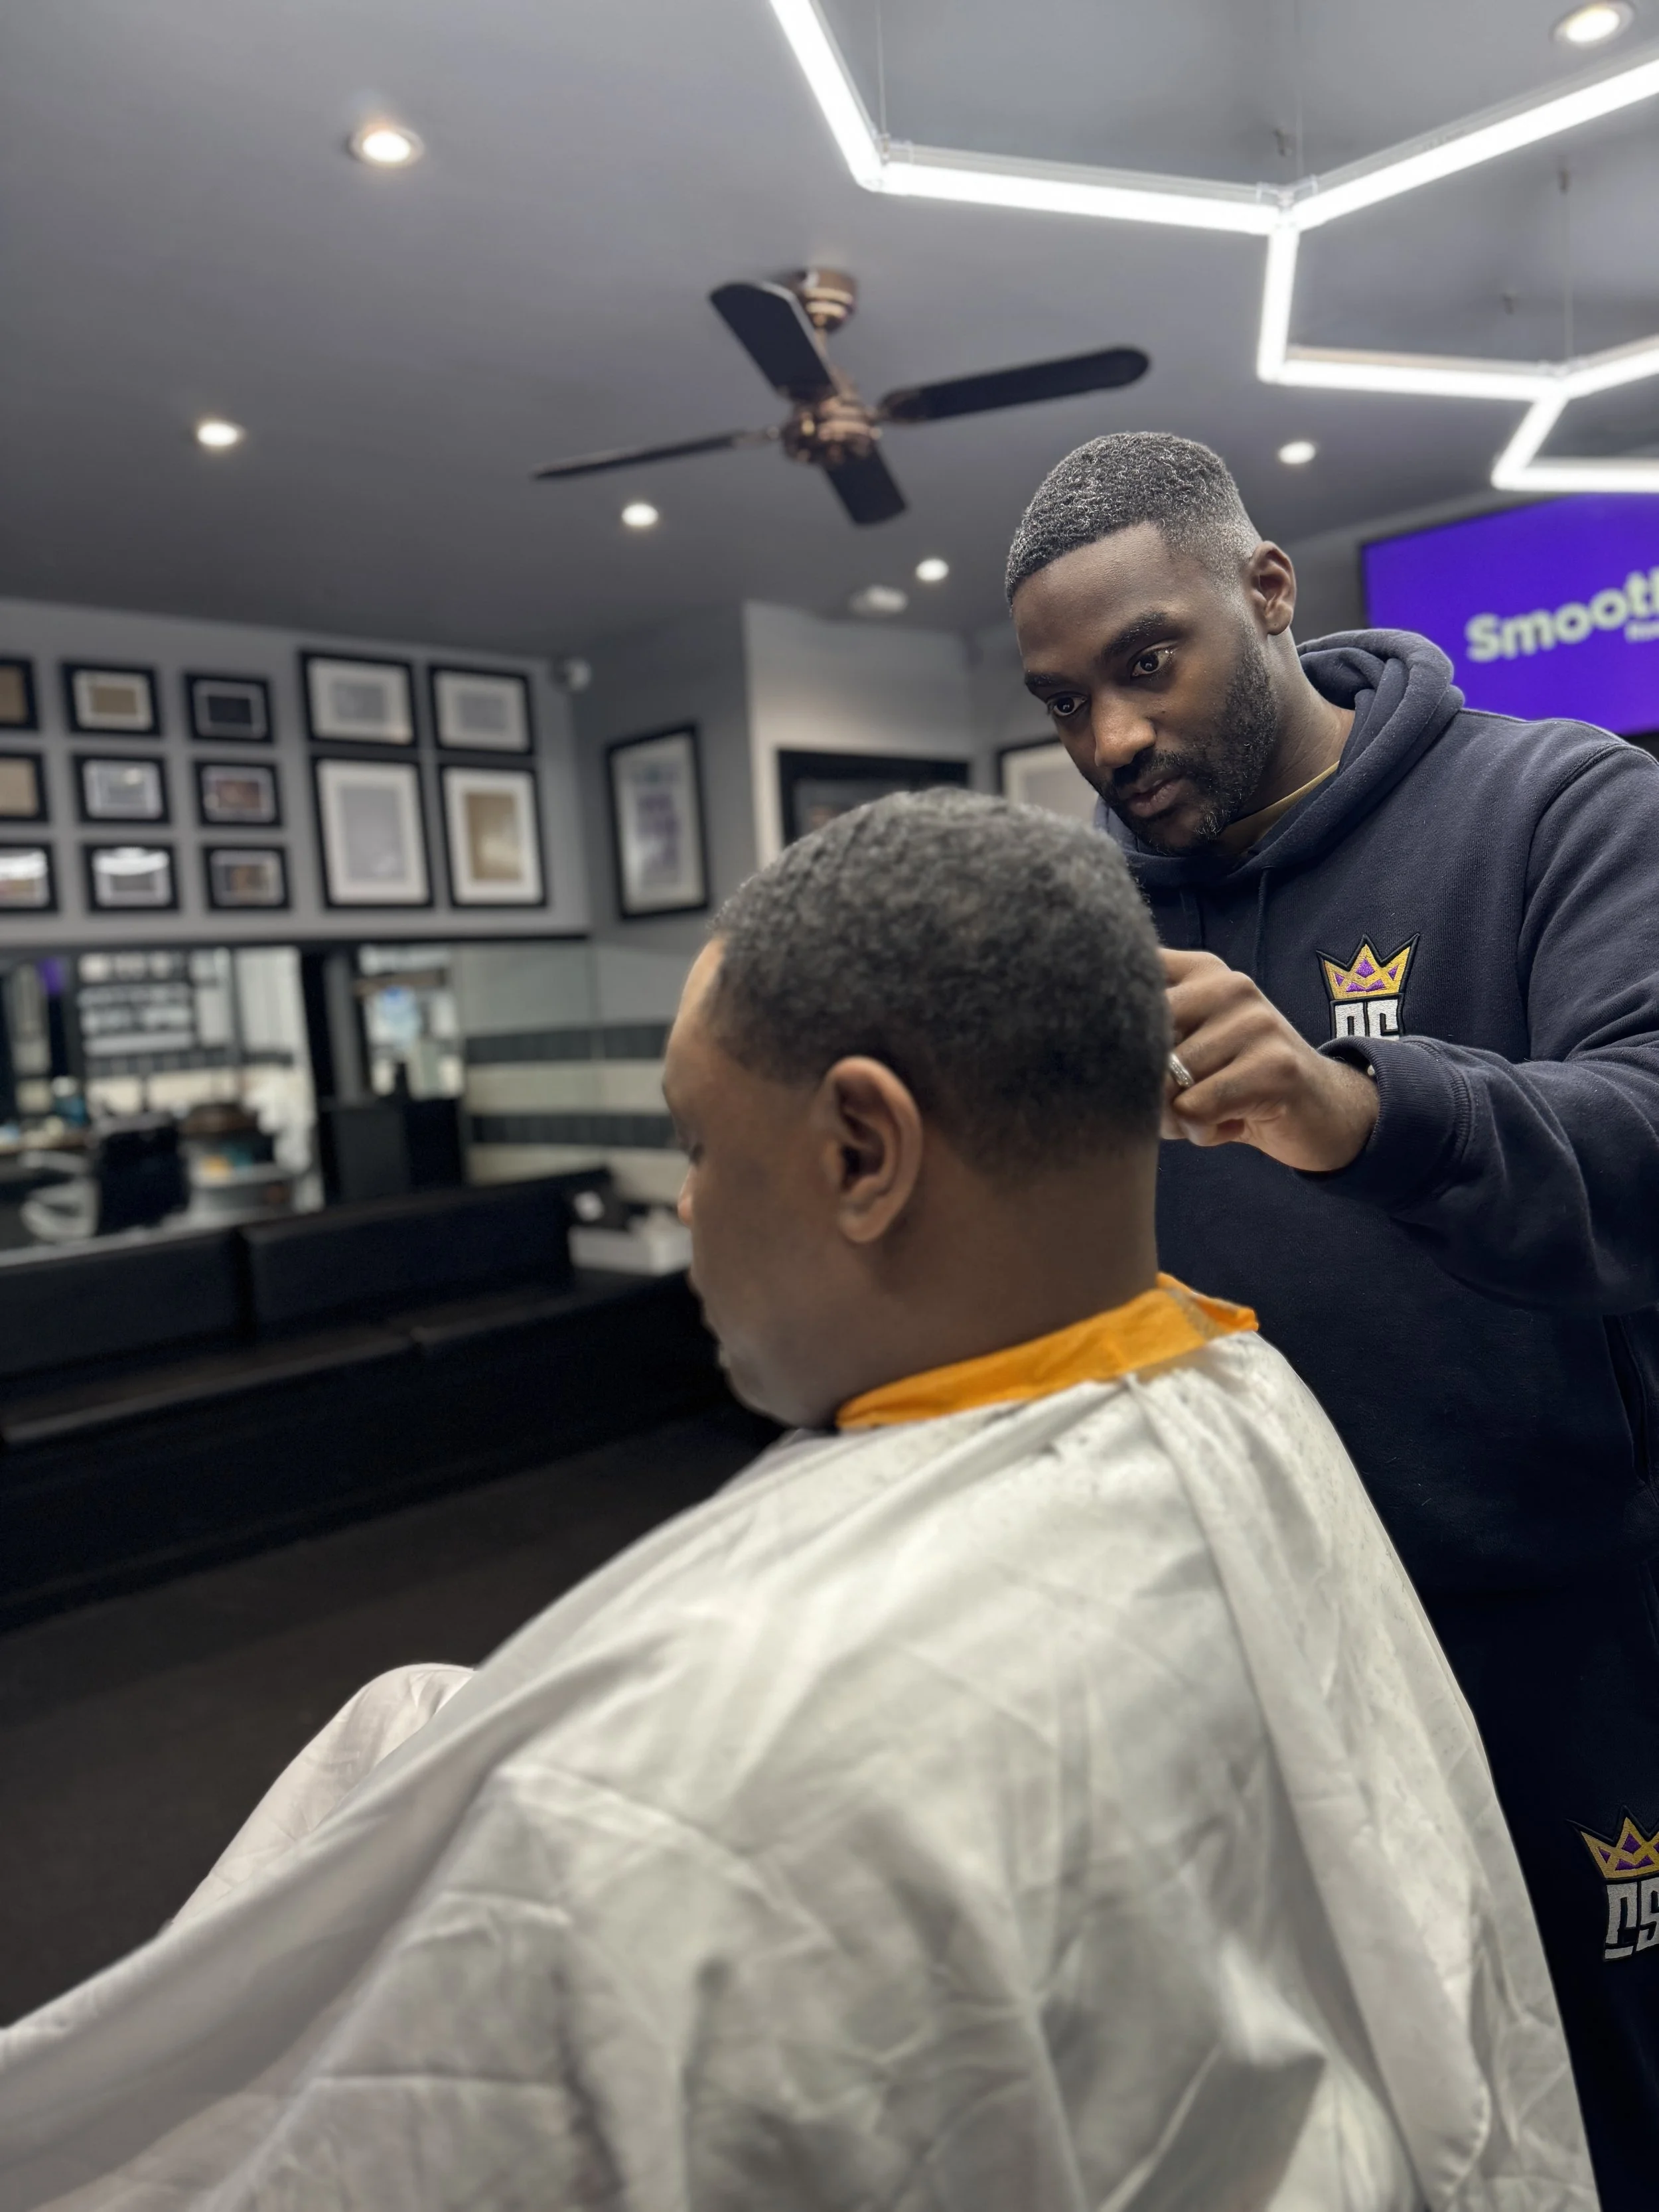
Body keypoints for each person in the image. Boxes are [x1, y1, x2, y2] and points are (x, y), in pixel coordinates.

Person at [0, 795, 1589, 2211]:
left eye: (696, 1137)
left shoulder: (672, 1799)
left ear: (858, 1148)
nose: (685, 1199)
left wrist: (556, 1779)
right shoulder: (1238, 1389)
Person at [1008, 429, 1659, 2207]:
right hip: (1242, 1658)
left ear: (1265, 591)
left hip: (1555, 1634)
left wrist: (1364, 1110)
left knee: (1609, 2100)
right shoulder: (1082, 919)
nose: (1110, 738)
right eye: (1065, 702)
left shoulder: (1558, 802)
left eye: (1146, 663)